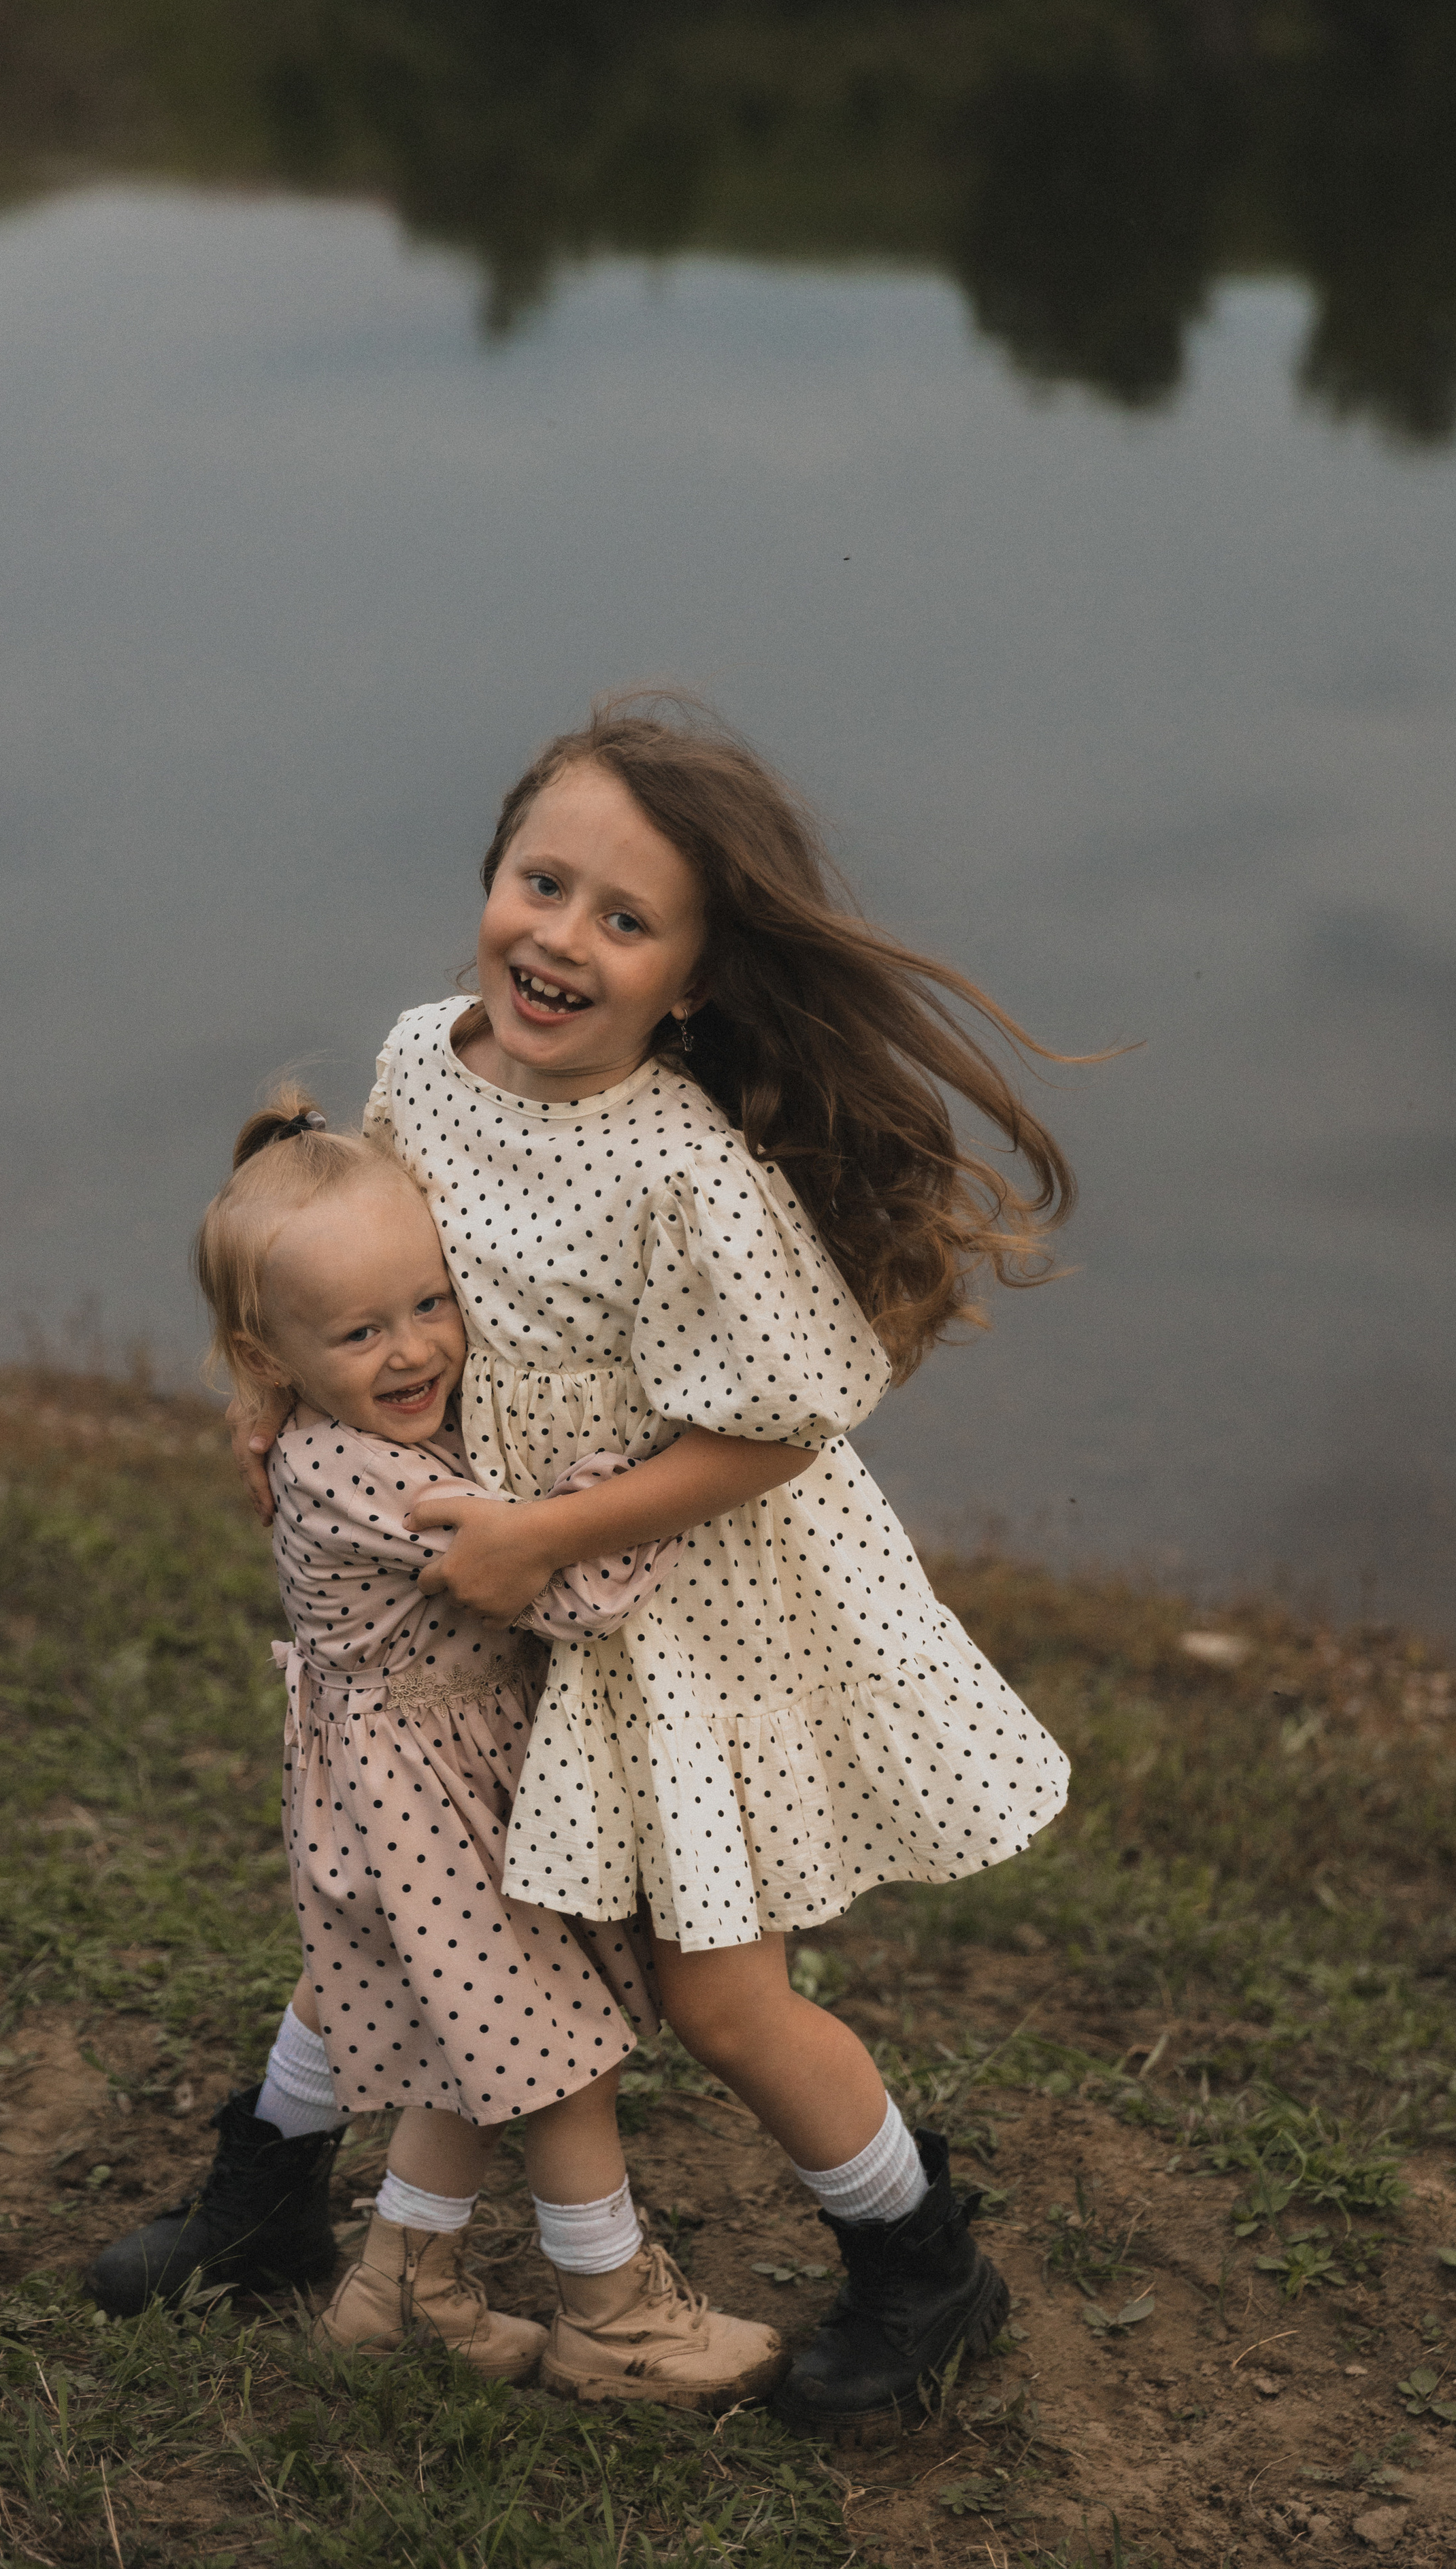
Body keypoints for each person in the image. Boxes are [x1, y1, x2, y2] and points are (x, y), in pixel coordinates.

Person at [237, 695, 1075, 2441]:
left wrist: (546, 1531)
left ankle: (922, 2265)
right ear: (490, 880)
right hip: (482, 1606)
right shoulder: (415, 1060)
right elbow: (352, 1271)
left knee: (717, 1991)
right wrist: (277, 1393)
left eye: (626, 922)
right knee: (414, 1894)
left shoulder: (685, 1168)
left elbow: (781, 1425)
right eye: (544, 884)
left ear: (691, 980)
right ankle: (258, 2195)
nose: (563, 939)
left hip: (673, 1612)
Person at [87, 1096, 784, 2410]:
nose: (414, 1352)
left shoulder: (340, 1432)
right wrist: (636, 1486)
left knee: (469, 2043)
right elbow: (569, 1591)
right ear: (270, 1352)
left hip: (418, 1786)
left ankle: (400, 2294)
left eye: (430, 1304)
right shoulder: (383, 1481)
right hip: (430, 1805)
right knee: (559, 2061)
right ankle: (615, 2320)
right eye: (361, 1333)